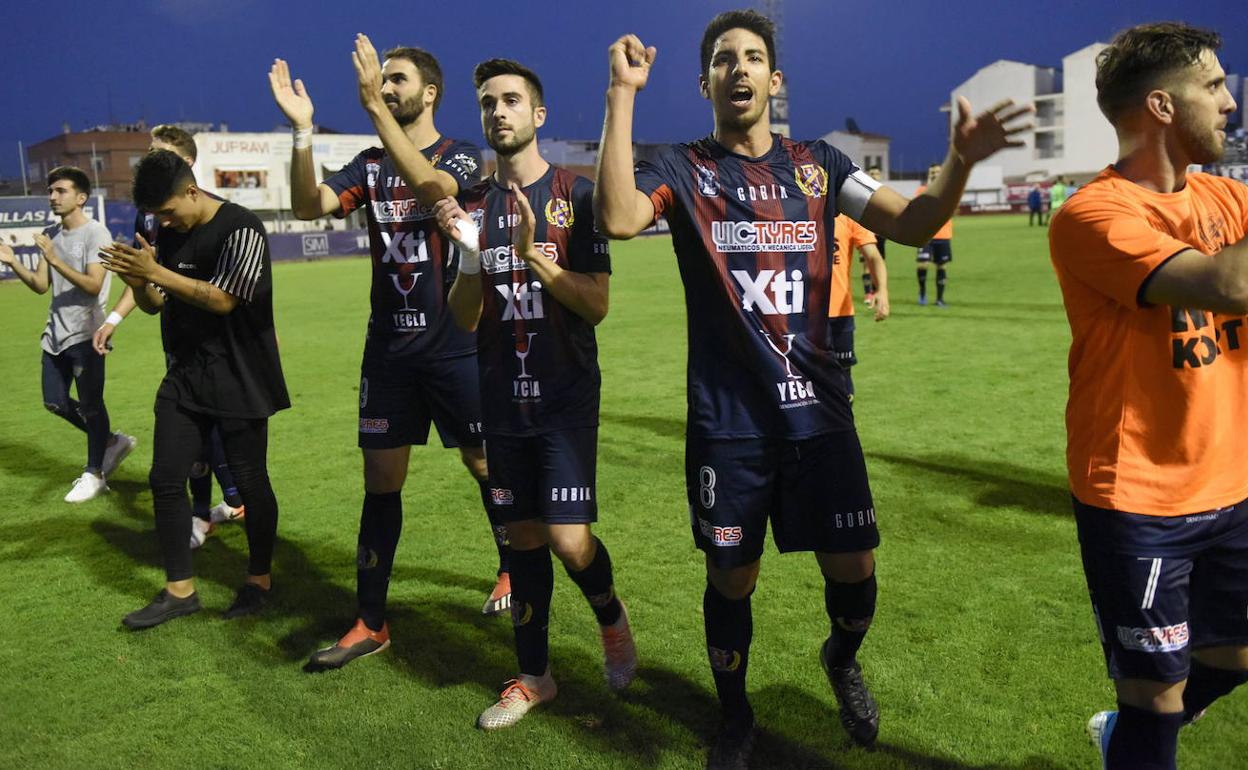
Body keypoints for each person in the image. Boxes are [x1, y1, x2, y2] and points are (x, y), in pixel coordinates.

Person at [593, 9, 1029, 767]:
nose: (739, 68)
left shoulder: (820, 164)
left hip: (821, 416)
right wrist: (620, 94)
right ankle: (734, 717)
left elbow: (917, 221)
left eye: (753, 57)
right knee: (733, 576)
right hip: (729, 423)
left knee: (854, 567)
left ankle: (841, 656)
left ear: (775, 79)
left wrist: (956, 163)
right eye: (724, 59)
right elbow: (620, 217)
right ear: (704, 83)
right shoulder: (683, 167)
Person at [269, 36, 509, 672]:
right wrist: (302, 134)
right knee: (381, 484)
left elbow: (432, 190)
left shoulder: (463, 156)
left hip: (456, 344)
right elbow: (307, 205)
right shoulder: (369, 163)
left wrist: (374, 107)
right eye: (385, 82)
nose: (388, 87)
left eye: (398, 80)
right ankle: (370, 622)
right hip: (389, 352)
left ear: (429, 93)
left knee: (485, 464)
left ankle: (512, 566)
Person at [1047, 22, 1248, 770]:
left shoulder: (1227, 196)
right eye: (1216, 85)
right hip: (1139, 497)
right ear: (1162, 106)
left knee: (1231, 659)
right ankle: (1132, 736)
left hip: (1233, 481)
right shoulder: (1092, 216)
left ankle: (1121, 736)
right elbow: (1233, 284)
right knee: (1155, 697)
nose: (1230, 101)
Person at [428, 57, 636, 730]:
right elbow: (464, 317)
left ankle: (609, 615)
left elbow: (598, 303)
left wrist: (534, 256)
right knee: (520, 539)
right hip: (501, 400)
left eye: (511, 101)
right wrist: (465, 254)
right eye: (488, 103)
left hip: (565, 399)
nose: (497, 112)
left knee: (570, 542)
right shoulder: (474, 209)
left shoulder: (576, 198)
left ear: (537, 115)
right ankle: (533, 677)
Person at [101, 150, 289, 628]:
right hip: (186, 375)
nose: (164, 221)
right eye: (157, 215)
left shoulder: (241, 227)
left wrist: (155, 272)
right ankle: (179, 590)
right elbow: (154, 304)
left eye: (168, 210)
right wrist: (138, 281)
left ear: (192, 190)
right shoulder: (168, 231)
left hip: (240, 373)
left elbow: (223, 299)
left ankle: (259, 579)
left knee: (250, 481)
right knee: (165, 478)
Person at [94, 125, 247, 547]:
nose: (150, 161)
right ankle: (206, 514)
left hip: (219, 347)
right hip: (177, 339)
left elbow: (223, 294)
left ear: (188, 167)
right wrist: (114, 320)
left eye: (159, 154)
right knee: (193, 430)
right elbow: (146, 281)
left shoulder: (218, 216)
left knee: (217, 429)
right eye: (148, 154)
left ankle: (229, 505)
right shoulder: (153, 214)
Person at [0, 166, 135, 502]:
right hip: (55, 335)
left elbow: (93, 285)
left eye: (60, 191)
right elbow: (40, 285)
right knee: (55, 402)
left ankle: (95, 472)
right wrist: (13, 262)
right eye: (50, 191)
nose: (52, 197)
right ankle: (111, 441)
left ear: (81, 197)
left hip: (87, 334)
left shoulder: (96, 234)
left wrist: (54, 258)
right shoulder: (52, 233)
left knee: (90, 405)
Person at [829, 214, 889, 400]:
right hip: (801, 313)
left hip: (840, 313)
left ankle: (844, 428)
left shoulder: (847, 218)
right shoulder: (797, 212)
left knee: (843, 383)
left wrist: (882, 290)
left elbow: (873, 256)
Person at [915, 164, 955, 306]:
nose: (935, 174)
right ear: (928, 174)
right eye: (932, 172)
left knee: (941, 266)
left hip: (944, 235)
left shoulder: (949, 191)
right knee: (923, 264)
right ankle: (922, 292)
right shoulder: (921, 191)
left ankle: (939, 299)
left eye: (938, 172)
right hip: (926, 236)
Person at [861, 166, 886, 305]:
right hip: (865, 233)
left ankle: (878, 291)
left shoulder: (884, 193)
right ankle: (868, 293)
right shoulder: (863, 192)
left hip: (880, 233)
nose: (874, 176)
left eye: (877, 173)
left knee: (879, 262)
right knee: (866, 264)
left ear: (880, 176)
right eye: (872, 173)